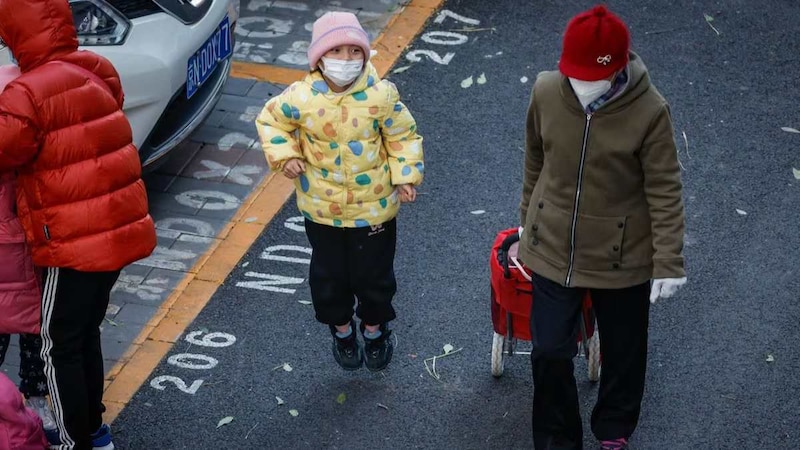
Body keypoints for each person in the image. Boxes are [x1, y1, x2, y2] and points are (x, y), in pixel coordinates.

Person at [518, 5, 686, 450]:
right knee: (549, 351)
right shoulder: (546, 90)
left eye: (591, 77)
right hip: (551, 246)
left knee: (625, 351)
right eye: (572, 74)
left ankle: (614, 427)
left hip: (623, 255)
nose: (580, 85)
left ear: (615, 69)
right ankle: (557, 437)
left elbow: (665, 189)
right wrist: (527, 223)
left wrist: (668, 261)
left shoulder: (651, 112)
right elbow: (535, 160)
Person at [0, 0, 157, 448]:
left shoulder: (26, 93)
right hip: (118, 231)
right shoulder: (97, 67)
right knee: (84, 333)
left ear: (16, 35)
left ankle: (73, 442)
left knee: (57, 345)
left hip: (73, 243)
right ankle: (94, 431)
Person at [255, 12, 424, 372]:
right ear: (319, 59)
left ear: (365, 55)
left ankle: (375, 330)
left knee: (374, 277)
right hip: (322, 211)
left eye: (354, 52)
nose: (346, 61)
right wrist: (285, 156)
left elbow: (402, 136)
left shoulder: (381, 95)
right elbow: (271, 122)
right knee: (329, 278)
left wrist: (405, 175)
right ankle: (343, 330)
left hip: (375, 209)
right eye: (337, 52)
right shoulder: (301, 98)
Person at [0, 62, 58, 445]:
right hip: (22, 244)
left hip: (22, 244)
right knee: (34, 326)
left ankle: (32, 399)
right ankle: (34, 400)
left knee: (32, 325)